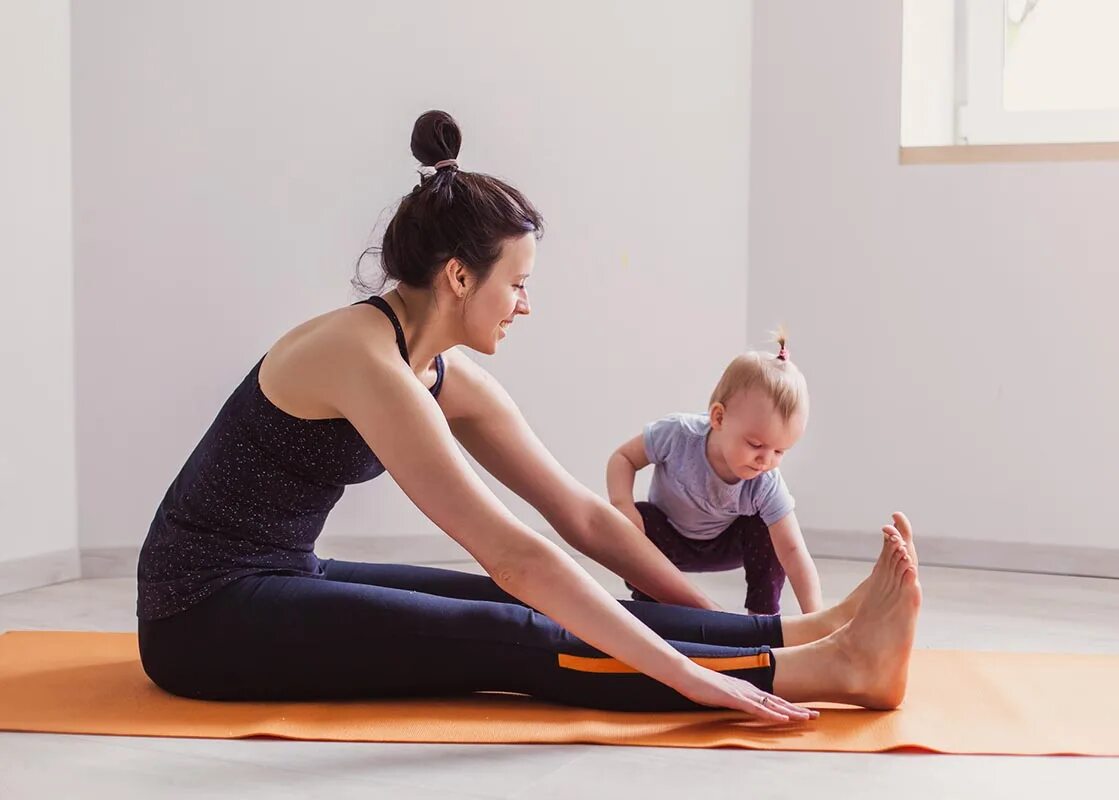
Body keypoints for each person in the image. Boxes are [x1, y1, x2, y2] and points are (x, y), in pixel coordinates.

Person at [136, 110, 922, 719]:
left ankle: (800, 638)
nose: (525, 304)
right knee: (517, 630)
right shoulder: (364, 361)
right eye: (516, 283)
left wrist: (709, 620)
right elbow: (516, 554)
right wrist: (684, 676)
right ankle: (828, 670)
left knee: (518, 604)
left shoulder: (434, 368)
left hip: (280, 573)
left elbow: (580, 516)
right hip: (203, 615)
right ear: (457, 276)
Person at [607, 331, 823, 616]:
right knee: (637, 518)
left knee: (770, 531)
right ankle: (653, 606)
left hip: (725, 544)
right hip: (667, 538)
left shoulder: (765, 483)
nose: (766, 460)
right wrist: (623, 507)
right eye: (756, 445)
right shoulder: (678, 435)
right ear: (718, 417)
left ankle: (762, 616)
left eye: (780, 451)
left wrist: (816, 617)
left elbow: (794, 552)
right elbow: (623, 458)